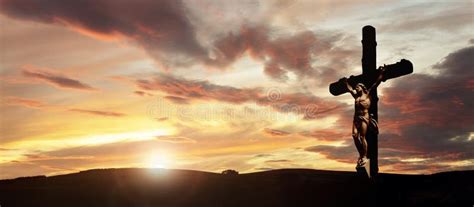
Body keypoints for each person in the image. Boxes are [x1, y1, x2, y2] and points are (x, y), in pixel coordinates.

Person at [343, 66, 385, 167]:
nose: (356, 88)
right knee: (354, 135)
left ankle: (364, 156)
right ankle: (361, 154)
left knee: (362, 137)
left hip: (364, 117)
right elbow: (350, 89)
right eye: (356, 87)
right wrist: (346, 83)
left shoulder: (367, 94)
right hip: (356, 118)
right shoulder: (356, 97)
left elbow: (376, 83)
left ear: (362, 88)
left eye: (358, 87)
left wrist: (382, 73)